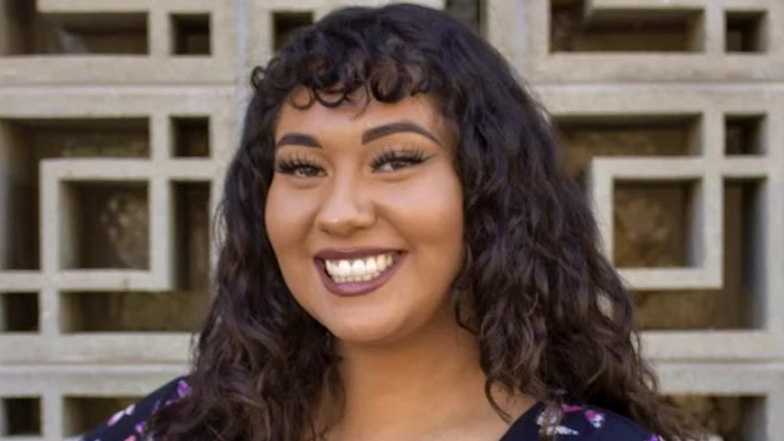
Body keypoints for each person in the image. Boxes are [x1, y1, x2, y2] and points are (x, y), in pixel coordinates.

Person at [80, 3, 704, 441]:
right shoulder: (181, 426)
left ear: (489, 194)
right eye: (302, 167)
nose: (341, 211)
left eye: (397, 159)